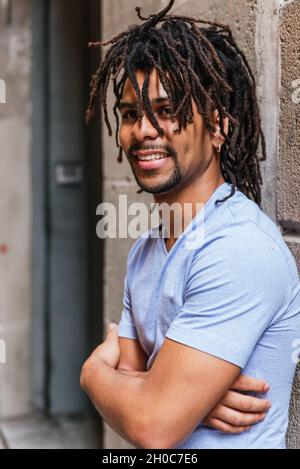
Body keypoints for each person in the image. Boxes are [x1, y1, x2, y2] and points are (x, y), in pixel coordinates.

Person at [80, 0, 300, 448]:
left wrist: (91, 374)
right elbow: (142, 392)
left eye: (167, 109)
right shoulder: (146, 248)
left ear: (217, 126)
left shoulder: (237, 247)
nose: (142, 129)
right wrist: (173, 392)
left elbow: (152, 425)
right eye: (128, 114)